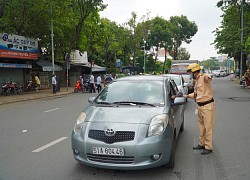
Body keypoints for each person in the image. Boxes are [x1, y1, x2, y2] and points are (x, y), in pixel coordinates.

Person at [183, 63, 215, 155]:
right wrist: (186, 95)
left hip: (207, 106)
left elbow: (208, 77)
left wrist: (209, 75)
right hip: (200, 106)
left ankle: (208, 147)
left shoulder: (203, 77)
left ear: (194, 71)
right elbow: (196, 95)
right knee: (202, 127)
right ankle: (202, 143)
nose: (189, 74)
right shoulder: (196, 81)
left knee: (208, 127)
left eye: (190, 72)